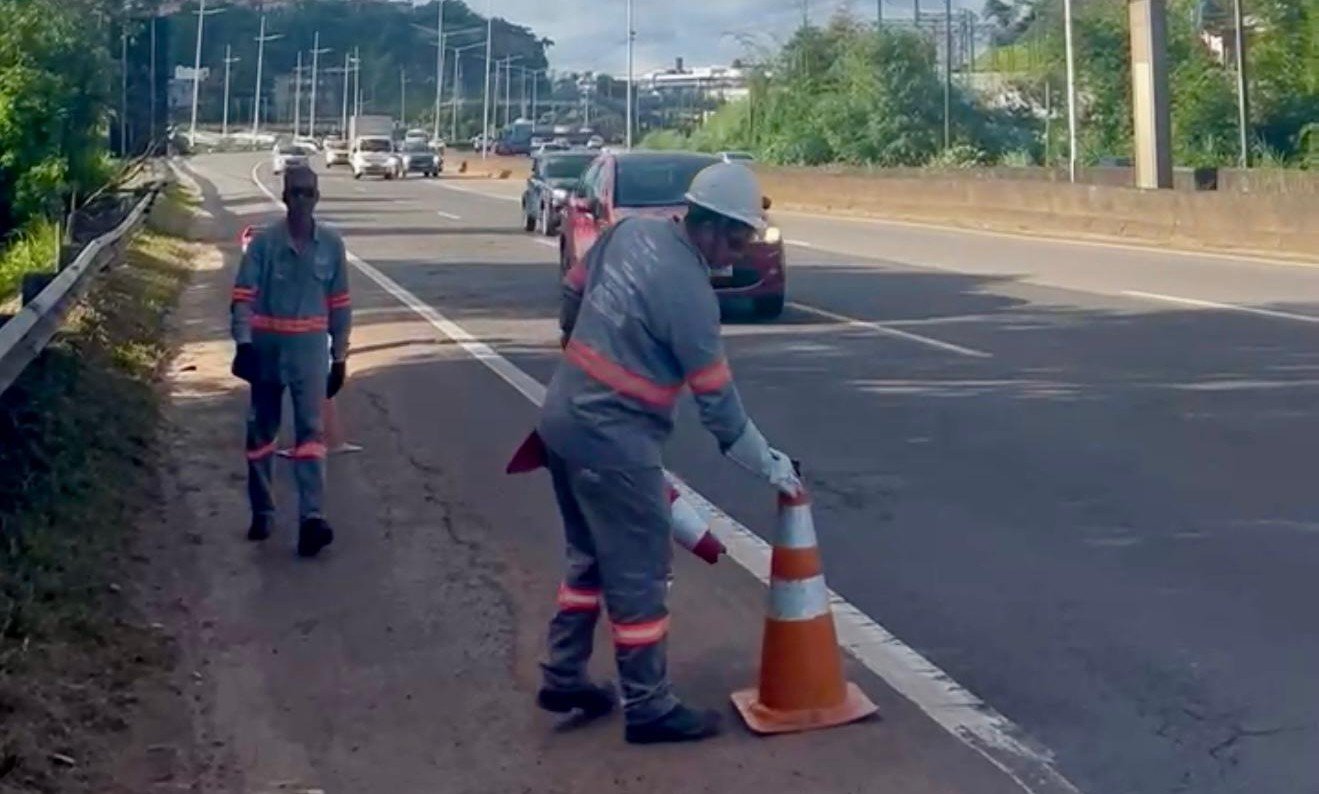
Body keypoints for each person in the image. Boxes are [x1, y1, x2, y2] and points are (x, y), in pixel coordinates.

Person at [535, 162, 802, 744]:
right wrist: (771, 465)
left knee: (588, 560)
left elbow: (572, 292)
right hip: (614, 441)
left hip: (561, 421)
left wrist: (576, 350)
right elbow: (719, 409)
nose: (740, 249)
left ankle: (562, 673)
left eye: (748, 238)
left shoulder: (629, 233)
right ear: (706, 225)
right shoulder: (692, 297)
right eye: (736, 237)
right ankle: (649, 707)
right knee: (641, 574)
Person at [229, 166, 351, 558]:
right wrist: (243, 344)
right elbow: (243, 296)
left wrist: (340, 358)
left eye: (308, 193)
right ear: (284, 197)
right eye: (295, 193)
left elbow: (340, 305)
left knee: (311, 436)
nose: (302, 200)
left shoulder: (331, 245)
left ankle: (311, 519)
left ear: (317, 197)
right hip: (267, 351)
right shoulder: (265, 245)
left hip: (309, 354)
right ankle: (263, 511)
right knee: (261, 433)